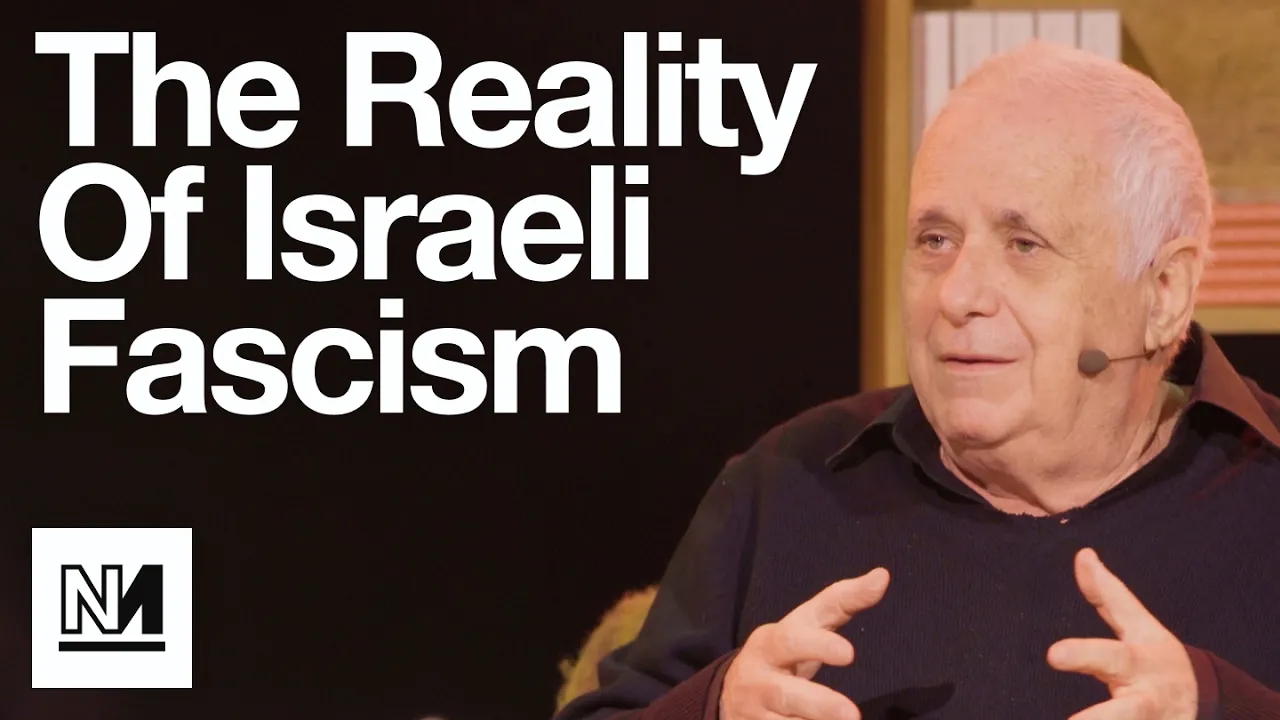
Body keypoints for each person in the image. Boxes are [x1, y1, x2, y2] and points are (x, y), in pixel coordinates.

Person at [553, 41, 1280, 720]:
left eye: (1024, 245)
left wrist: (1226, 707)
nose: (957, 295)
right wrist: (718, 707)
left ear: (1163, 294)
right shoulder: (789, 485)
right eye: (936, 240)